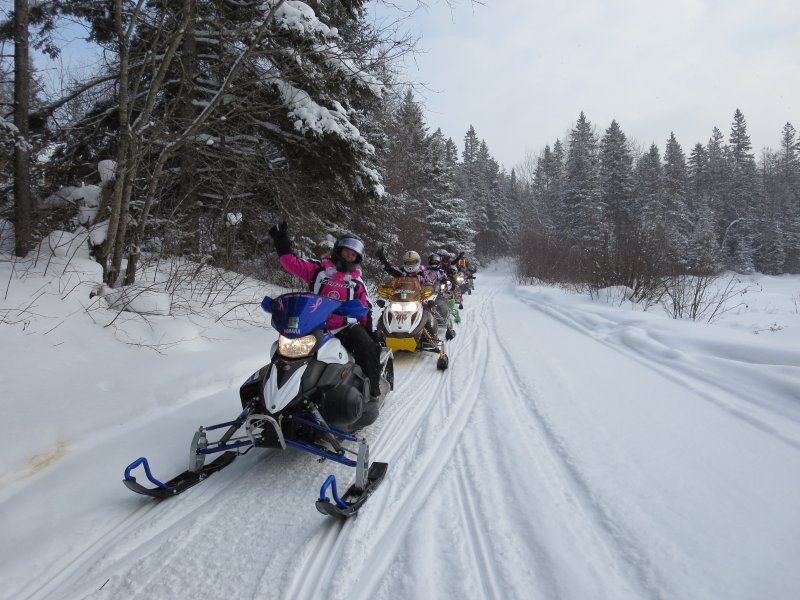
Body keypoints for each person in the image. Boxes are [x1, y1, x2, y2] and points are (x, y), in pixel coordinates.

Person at [268, 222, 382, 406]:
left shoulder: (357, 283)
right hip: (313, 323)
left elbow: (365, 309)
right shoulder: (318, 270)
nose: (349, 256)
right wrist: (282, 242)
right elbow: (292, 263)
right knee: (285, 350)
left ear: (357, 259)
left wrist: (371, 332)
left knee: (367, 346)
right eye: (346, 252)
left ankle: (372, 394)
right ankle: (277, 389)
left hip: (344, 326)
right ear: (338, 251)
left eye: (353, 255)